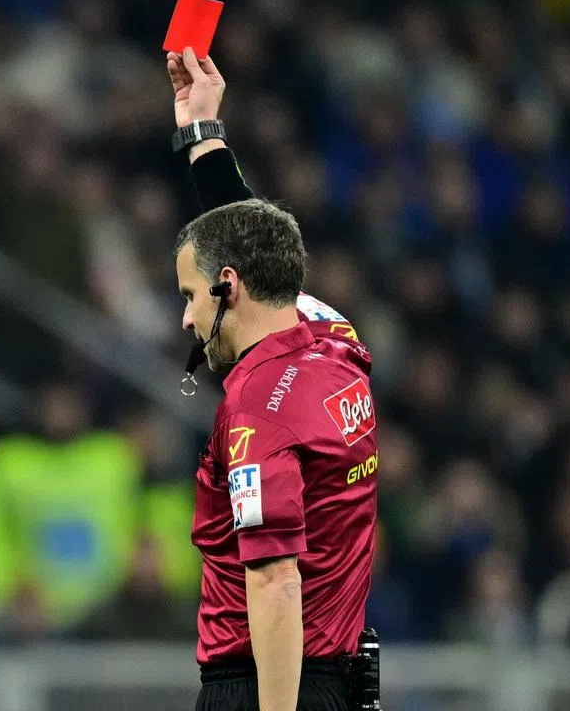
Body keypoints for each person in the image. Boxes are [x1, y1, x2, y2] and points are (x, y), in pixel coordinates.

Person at [167, 47, 380, 711]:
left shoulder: (260, 412)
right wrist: (203, 133)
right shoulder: (333, 338)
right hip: (334, 680)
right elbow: (260, 251)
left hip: (261, 687)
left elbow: (276, 585)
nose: (185, 317)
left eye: (191, 294)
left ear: (227, 288)